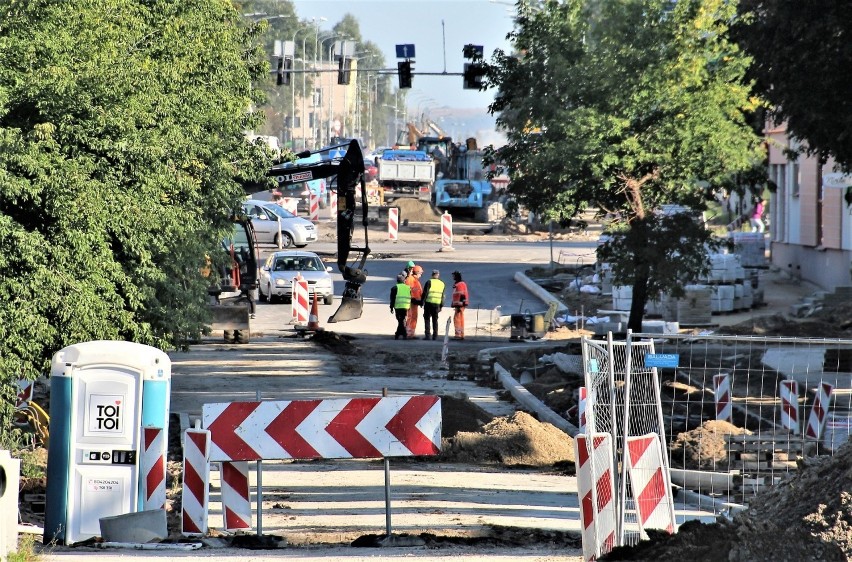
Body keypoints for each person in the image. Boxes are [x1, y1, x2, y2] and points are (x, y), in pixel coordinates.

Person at [422, 269, 445, 340]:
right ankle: (435, 336)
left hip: (429, 303)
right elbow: (442, 296)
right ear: (438, 275)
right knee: (435, 320)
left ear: (432, 275)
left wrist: (422, 302)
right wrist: (441, 306)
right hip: (437, 304)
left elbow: (425, 293)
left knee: (427, 319)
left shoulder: (429, 282)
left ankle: (427, 335)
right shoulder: (442, 283)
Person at [389, 274, 411, 340]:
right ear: (404, 280)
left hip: (398, 306)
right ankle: (400, 334)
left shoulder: (394, 288)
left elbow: (392, 299)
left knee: (400, 320)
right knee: (402, 320)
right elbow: (409, 296)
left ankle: (401, 334)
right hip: (405, 306)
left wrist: (391, 307)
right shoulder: (408, 287)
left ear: (397, 281)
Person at [405, 265, 424, 338]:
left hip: (415, 302)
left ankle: (411, 332)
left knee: (414, 317)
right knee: (411, 316)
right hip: (411, 302)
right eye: (420, 273)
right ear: (417, 272)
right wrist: (413, 299)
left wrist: (421, 300)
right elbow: (409, 290)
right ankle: (409, 333)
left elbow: (419, 292)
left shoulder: (416, 281)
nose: (421, 275)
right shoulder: (410, 279)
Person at [451, 270, 469, 340]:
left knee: (457, 319)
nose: (453, 277)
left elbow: (462, 295)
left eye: (454, 276)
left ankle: (458, 334)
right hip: (459, 304)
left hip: (459, 305)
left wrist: (459, 304)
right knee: (460, 319)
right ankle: (461, 334)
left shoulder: (460, 284)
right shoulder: (459, 284)